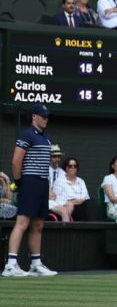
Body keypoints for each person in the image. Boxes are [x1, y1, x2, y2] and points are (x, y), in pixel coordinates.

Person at [4, 104, 58, 277]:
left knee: (38, 225)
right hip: (29, 182)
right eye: (43, 116)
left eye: (47, 116)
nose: (46, 119)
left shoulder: (46, 138)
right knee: (23, 223)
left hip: (42, 183)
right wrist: (19, 182)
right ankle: (11, 265)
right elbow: (15, 161)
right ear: (34, 117)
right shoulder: (27, 134)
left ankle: (36, 264)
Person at [49, 156, 89, 222]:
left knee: (91, 203)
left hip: (81, 205)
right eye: (70, 166)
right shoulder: (59, 181)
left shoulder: (81, 181)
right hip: (66, 206)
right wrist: (70, 202)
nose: (73, 168)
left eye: (75, 166)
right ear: (66, 168)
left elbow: (84, 197)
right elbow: (56, 199)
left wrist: (73, 201)